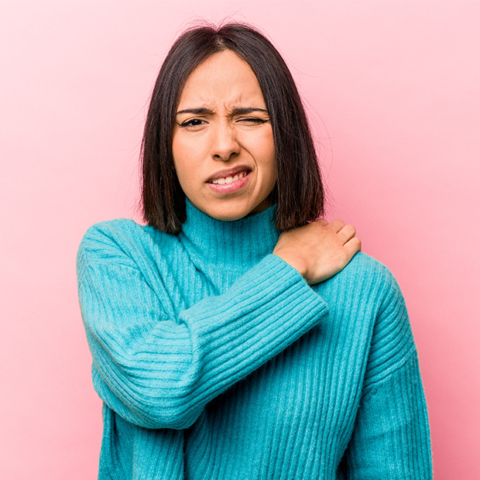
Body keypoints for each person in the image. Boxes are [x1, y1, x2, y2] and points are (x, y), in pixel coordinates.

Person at [77, 23, 432, 479]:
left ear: (285, 133)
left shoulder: (365, 292)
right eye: (194, 122)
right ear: (166, 144)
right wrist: (288, 269)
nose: (225, 146)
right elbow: (159, 391)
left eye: (250, 118)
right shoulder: (117, 257)